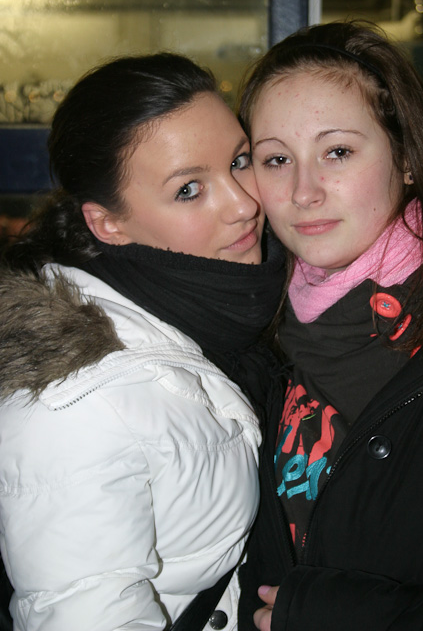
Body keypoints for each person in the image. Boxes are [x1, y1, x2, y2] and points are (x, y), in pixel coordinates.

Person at [236, 19, 423, 630]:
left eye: (337, 152)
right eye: (276, 159)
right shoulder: (251, 330)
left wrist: (342, 616)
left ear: (407, 158)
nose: (304, 191)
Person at [0, 52, 285, 631]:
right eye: (189, 190)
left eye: (239, 161)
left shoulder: (239, 306)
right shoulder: (79, 401)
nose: (244, 204)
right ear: (108, 224)